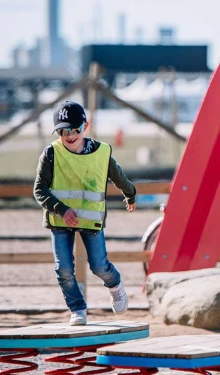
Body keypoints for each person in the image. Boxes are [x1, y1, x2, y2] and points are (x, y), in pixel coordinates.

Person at [33, 101, 136, 326]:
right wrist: (61, 209)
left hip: (91, 219)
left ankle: (115, 286)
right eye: (63, 131)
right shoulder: (50, 153)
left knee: (99, 265)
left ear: (85, 126)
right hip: (60, 219)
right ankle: (77, 309)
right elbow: (39, 189)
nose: (69, 136)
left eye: (74, 129)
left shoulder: (101, 152)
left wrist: (130, 194)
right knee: (64, 269)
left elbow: (118, 176)